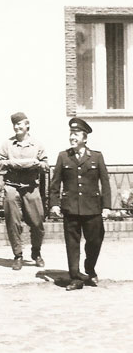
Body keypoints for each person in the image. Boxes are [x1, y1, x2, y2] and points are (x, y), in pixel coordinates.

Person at [48, 118, 111, 291]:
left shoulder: (97, 157)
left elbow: (105, 182)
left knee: (95, 240)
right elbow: (55, 183)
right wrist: (54, 204)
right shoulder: (63, 156)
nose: (72, 137)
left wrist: (106, 206)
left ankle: (89, 268)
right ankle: (75, 276)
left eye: (75, 134)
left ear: (85, 138)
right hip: (71, 208)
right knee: (72, 243)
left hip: (93, 208)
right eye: (71, 134)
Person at [0, 112, 48, 271]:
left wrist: (37, 164)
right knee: (13, 223)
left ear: (27, 125)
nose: (17, 127)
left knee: (37, 222)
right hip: (12, 186)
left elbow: (46, 165)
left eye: (20, 124)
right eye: (15, 125)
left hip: (31, 186)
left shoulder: (37, 144)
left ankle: (36, 253)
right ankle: (17, 255)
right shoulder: (7, 144)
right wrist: (12, 163)